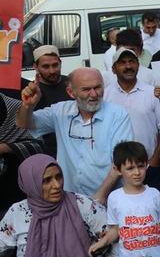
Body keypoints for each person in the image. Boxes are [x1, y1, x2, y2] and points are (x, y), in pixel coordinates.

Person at [17, 68, 133, 198]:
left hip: (107, 198)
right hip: (69, 199)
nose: (94, 94)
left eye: (97, 87)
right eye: (86, 89)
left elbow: (121, 160)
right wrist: (28, 106)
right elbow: (24, 124)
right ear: (71, 92)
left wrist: (100, 197)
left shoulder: (118, 115)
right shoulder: (60, 111)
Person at [103, 48, 160, 190]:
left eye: (132, 62)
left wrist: (154, 160)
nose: (128, 66)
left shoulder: (152, 93)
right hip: (116, 170)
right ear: (114, 69)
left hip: (147, 168)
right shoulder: (105, 96)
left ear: (138, 66)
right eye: (122, 63)